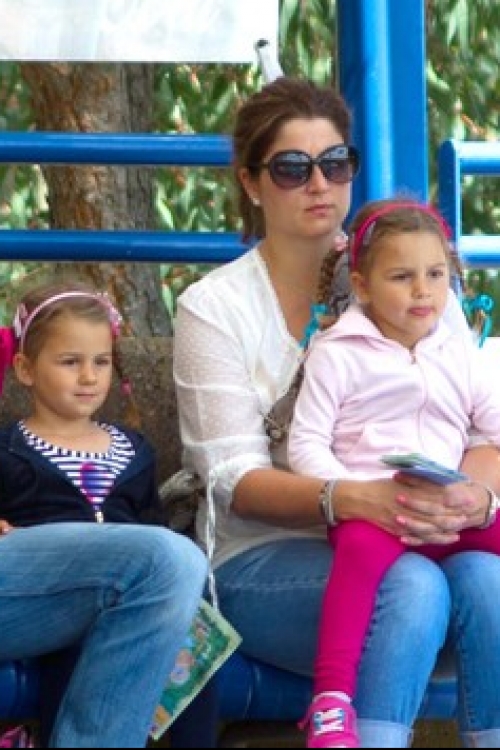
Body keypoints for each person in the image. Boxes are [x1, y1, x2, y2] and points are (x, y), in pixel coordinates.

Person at [173, 75, 500, 749]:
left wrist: (469, 498)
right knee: (411, 588)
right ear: (251, 181)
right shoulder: (214, 308)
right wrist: (353, 499)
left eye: (335, 162)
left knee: (486, 576)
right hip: (262, 557)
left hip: (421, 532)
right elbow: (234, 481)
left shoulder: (408, 268)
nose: (319, 183)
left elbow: (481, 427)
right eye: (292, 168)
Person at [288, 197, 500, 747]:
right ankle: (331, 700)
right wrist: (357, 494)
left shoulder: (459, 351)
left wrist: (478, 498)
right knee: (357, 556)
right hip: (375, 512)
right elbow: (305, 443)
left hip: (448, 510)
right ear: (362, 285)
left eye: (436, 275)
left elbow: (494, 426)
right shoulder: (336, 353)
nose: (423, 291)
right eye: (402, 277)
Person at [0, 281, 208, 748]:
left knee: (193, 633)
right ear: (26, 369)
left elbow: (153, 528)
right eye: (70, 362)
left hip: (126, 598)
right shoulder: (9, 450)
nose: (89, 377)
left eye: (101, 361)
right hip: (55, 591)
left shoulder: (132, 449)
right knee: (73, 653)